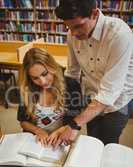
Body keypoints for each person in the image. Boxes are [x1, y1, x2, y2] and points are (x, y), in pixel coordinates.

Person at [47, 0, 133, 147]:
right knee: (92, 140)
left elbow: (109, 92)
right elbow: (72, 74)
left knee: (106, 144)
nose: (73, 33)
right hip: (91, 94)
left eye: (78, 26)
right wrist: (69, 120)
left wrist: (74, 125)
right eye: (69, 27)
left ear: (94, 13)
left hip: (118, 101)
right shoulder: (72, 34)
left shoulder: (119, 34)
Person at [17, 47, 77, 146]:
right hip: (35, 140)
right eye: (35, 78)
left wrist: (60, 131)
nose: (43, 81)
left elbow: (75, 120)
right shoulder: (27, 89)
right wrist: (38, 130)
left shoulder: (70, 85)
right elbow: (23, 121)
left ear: (52, 66)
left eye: (45, 74)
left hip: (60, 139)